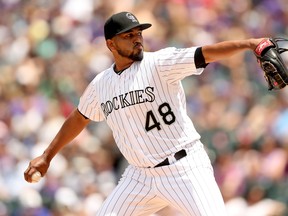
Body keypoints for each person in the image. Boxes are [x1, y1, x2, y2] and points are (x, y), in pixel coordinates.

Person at [24, 11, 265, 216]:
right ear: (111, 44)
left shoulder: (159, 63)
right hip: (140, 177)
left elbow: (204, 53)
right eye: (128, 35)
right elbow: (79, 117)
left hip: (184, 167)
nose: (137, 39)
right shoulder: (101, 84)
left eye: (139, 33)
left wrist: (248, 43)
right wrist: (47, 156)